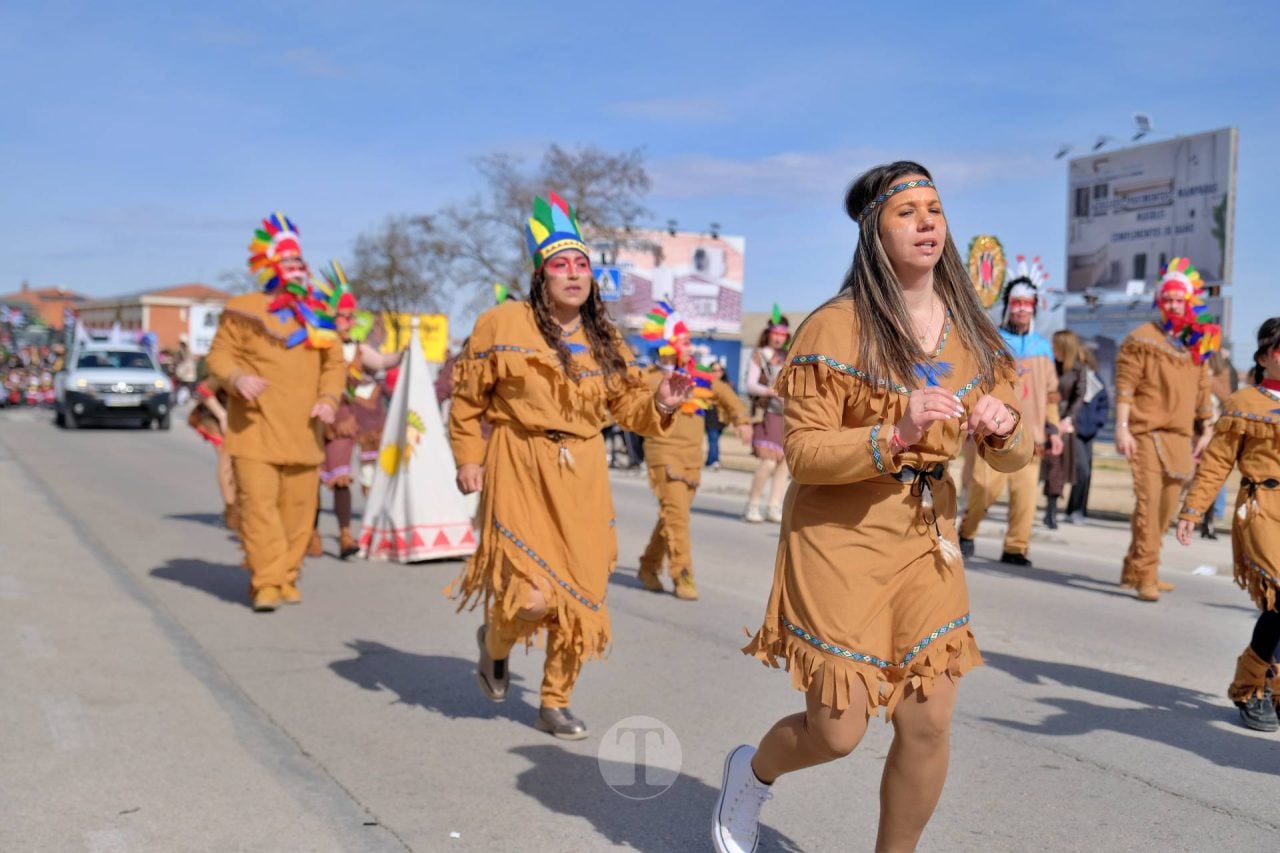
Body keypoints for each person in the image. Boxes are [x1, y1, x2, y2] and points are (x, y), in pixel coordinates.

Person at [714, 163, 1031, 853]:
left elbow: (1015, 454)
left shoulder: (975, 334)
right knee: (837, 732)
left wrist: (1004, 427)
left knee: (928, 720)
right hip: (840, 536)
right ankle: (753, 772)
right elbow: (803, 453)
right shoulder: (833, 327)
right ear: (874, 233)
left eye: (934, 208)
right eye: (906, 212)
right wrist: (895, 433)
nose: (926, 222)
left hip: (927, 536)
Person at [449, 192, 691, 739]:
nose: (575, 273)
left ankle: (555, 701)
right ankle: (496, 643)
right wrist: (468, 458)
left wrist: (661, 402)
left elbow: (628, 408)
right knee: (532, 597)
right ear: (541, 275)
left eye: (582, 264)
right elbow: (466, 401)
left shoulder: (605, 338)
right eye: (562, 264)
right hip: (518, 463)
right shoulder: (501, 323)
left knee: (581, 590)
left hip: (583, 472)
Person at [206, 213, 346, 612]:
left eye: (300, 261)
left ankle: (287, 575)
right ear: (268, 266)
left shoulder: (318, 315)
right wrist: (237, 378)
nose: (297, 268)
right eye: (288, 261)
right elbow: (218, 355)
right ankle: (266, 581)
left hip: (305, 434)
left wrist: (328, 399)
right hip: (255, 432)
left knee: (299, 514)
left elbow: (335, 364)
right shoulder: (243, 309)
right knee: (259, 509)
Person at [1176, 318, 1280, 731]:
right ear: (1264, 357)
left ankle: (1273, 685)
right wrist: (1192, 510)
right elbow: (1217, 462)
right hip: (1261, 508)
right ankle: (1249, 686)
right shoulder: (1243, 402)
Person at [1115, 257, 1218, 602]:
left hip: (1180, 438)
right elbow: (1125, 387)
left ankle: (1133, 567)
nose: (1173, 305)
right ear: (1160, 301)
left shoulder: (1196, 344)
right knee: (1149, 505)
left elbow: (1204, 390)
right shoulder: (1141, 338)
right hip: (1145, 434)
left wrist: (1207, 430)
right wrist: (1122, 428)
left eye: (1179, 299)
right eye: (1168, 299)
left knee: (1165, 510)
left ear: (1188, 301)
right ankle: (1147, 574)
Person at [636, 317, 751, 600]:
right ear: (669, 346)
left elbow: (727, 395)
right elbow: (632, 406)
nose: (691, 347)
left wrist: (741, 420)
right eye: (685, 342)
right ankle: (682, 574)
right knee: (677, 516)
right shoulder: (652, 377)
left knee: (673, 516)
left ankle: (648, 566)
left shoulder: (699, 377)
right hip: (664, 454)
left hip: (691, 458)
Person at [957, 256, 1062, 565]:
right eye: (1016, 303)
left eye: (1027, 304)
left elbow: (1051, 396)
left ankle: (1016, 547)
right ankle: (967, 532)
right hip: (993, 433)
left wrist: (1054, 429)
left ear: (1034, 307)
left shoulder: (1043, 348)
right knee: (984, 490)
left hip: (1032, 437)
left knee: (1025, 498)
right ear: (1008, 306)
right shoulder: (992, 343)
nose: (1021, 309)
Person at [316, 262, 403, 559]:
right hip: (312, 419)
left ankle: (345, 536)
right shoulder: (314, 345)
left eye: (352, 316)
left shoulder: (357, 348)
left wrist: (406, 351)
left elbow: (382, 362)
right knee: (309, 479)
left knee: (341, 477)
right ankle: (308, 532)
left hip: (342, 420)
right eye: (344, 316)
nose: (349, 322)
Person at [744, 308, 791, 523]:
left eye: (783, 334)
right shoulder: (759, 355)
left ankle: (774, 505)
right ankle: (753, 504)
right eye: (776, 333)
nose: (779, 338)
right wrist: (769, 391)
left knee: (784, 464)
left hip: (787, 414)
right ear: (769, 333)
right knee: (769, 462)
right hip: (767, 414)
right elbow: (750, 385)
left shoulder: (787, 356)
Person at [1042, 329, 1087, 529]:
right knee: (1051, 465)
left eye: (1055, 344)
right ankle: (1047, 510)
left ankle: (1052, 509)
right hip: (1046, 420)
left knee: (1063, 467)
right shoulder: (1048, 365)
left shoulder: (1078, 368)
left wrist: (1067, 419)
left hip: (1066, 423)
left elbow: (1079, 396)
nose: (1052, 347)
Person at [187, 376, 238, 532]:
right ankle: (231, 511)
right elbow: (204, 390)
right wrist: (222, 416)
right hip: (217, 418)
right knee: (227, 461)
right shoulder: (229, 367)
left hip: (240, 420)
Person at [1066, 344, 1106, 524]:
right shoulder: (1072, 375)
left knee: (1087, 474)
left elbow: (1104, 404)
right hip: (1074, 431)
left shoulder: (1096, 379)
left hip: (1090, 433)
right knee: (1082, 470)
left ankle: (1079, 510)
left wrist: (1098, 422)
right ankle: (1071, 509)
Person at [703, 361, 731, 470]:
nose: (717, 373)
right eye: (714, 370)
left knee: (714, 439)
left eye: (719, 370)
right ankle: (713, 461)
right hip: (710, 416)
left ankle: (712, 460)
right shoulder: (706, 384)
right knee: (713, 439)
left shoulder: (726, 385)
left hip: (722, 417)